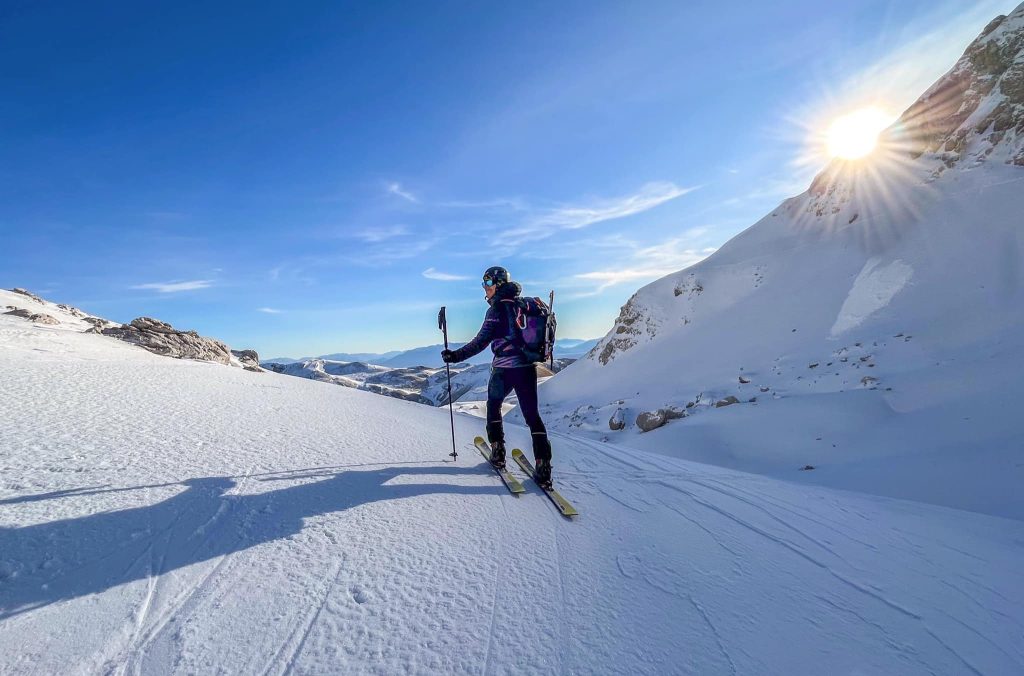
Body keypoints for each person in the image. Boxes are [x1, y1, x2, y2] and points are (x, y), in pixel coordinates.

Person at [441, 266, 554, 487]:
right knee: (532, 416)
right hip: (527, 368)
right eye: (484, 283)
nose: (485, 288)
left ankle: (498, 451)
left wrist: (454, 356)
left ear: (499, 284)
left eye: (488, 283)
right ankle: (544, 466)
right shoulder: (524, 305)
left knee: (493, 407)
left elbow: (480, 342)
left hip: (504, 369)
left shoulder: (496, 310)